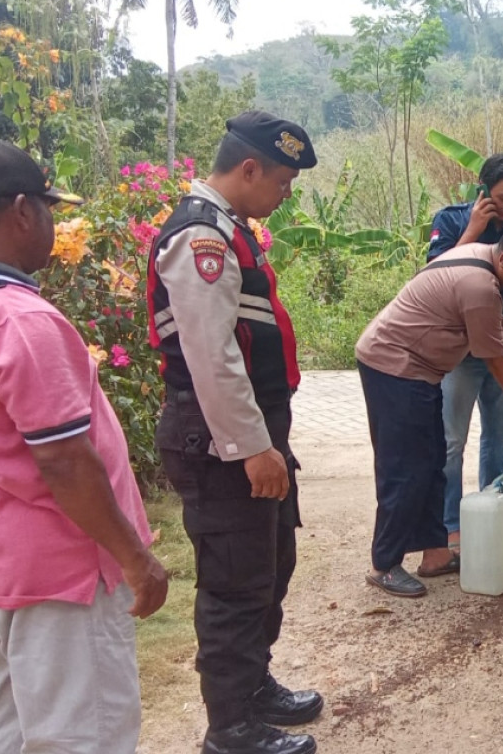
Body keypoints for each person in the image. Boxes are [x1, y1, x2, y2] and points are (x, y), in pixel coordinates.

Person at [0, 140, 168, 753]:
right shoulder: (18, 320)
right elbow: (61, 458)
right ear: (21, 211)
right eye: (47, 205)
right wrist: (134, 556)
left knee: (2, 734)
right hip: (62, 570)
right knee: (83, 737)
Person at [147, 112, 322, 754]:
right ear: (248, 168)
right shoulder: (201, 237)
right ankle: (230, 727)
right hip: (217, 438)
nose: (284, 195)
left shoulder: (230, 230)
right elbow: (210, 354)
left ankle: (252, 686)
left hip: (250, 428)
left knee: (270, 564)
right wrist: (251, 449)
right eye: (280, 181)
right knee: (234, 580)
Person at [357, 222, 503, 599]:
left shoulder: (484, 265)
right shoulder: (479, 283)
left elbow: (493, 322)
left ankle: (434, 554)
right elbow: (497, 362)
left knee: (431, 460)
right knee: (404, 467)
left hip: (419, 371)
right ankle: (383, 564)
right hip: (393, 367)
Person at [427, 153, 503, 551]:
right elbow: (436, 276)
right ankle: (451, 524)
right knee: (451, 441)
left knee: (498, 436)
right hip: (460, 353)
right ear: (483, 191)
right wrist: (474, 229)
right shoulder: (451, 220)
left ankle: (493, 510)